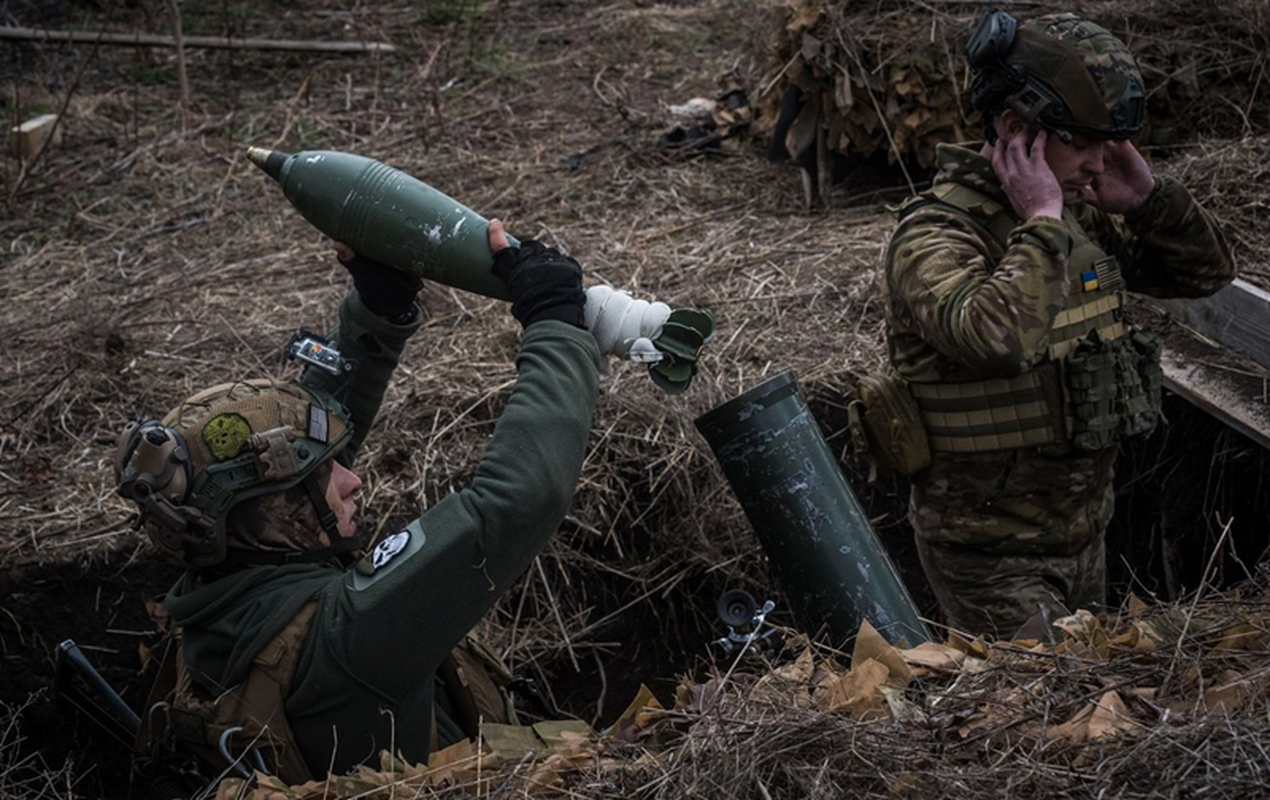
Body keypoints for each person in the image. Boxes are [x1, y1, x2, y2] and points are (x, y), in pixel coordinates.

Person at [113, 220, 600, 782]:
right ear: (269, 517)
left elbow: (300, 446)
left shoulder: (218, 598)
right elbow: (518, 499)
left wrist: (377, 310)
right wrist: (556, 323)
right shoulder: (347, 636)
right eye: (326, 477)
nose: (354, 482)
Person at [881, 11, 1235, 637]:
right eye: (1084, 141)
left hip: (1085, 533)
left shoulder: (1078, 218)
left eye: (1111, 143)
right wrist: (1041, 219)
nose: (1101, 163)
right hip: (989, 556)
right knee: (1036, 719)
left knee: (1089, 710)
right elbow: (994, 340)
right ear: (1018, 129)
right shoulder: (936, 233)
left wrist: (1150, 202)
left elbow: (1202, 275)